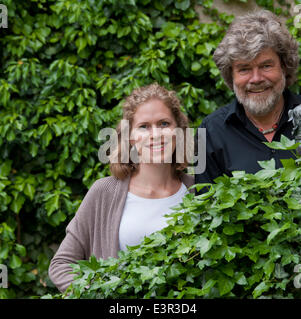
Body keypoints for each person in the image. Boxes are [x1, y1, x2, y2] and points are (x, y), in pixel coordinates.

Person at [48, 83, 194, 293]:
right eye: (144, 126)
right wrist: (98, 293)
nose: (155, 134)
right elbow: (62, 264)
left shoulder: (197, 191)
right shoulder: (104, 192)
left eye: (164, 123)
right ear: (131, 137)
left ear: (178, 130)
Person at [195, 10, 301, 187]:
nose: (256, 79)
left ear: (284, 67)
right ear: (231, 76)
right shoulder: (210, 132)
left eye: (266, 65)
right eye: (244, 69)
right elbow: (204, 205)